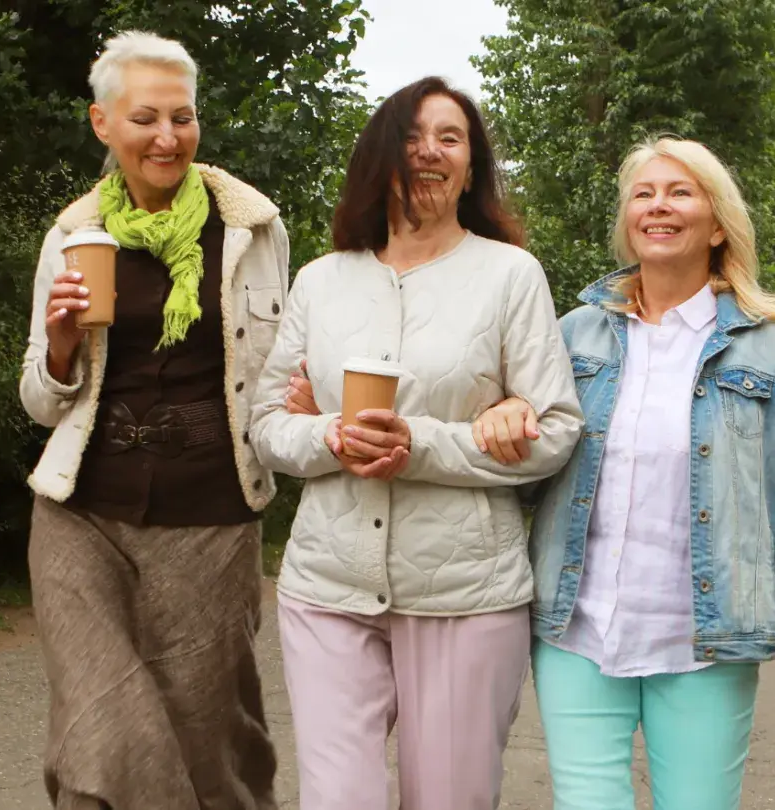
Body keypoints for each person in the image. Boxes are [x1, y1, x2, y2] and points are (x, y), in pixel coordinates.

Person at [472, 137, 775, 809]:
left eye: (680, 192)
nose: (659, 207)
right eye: (643, 194)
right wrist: (504, 414)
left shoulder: (771, 344)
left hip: (705, 641)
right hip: (577, 632)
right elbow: (530, 472)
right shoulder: (575, 335)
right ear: (627, 222)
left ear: (716, 222)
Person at [249, 76, 584, 810]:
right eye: (412, 135)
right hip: (327, 587)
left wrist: (422, 443)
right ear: (380, 155)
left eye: (450, 138)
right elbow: (267, 424)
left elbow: (556, 429)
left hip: (465, 595)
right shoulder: (320, 282)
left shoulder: (509, 276)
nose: (429, 151)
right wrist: (331, 436)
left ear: (471, 168)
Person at [19, 31, 289, 810]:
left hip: (211, 510)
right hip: (81, 513)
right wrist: (63, 345)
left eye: (183, 117)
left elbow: (276, 368)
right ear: (103, 124)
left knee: (212, 740)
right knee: (103, 725)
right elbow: (40, 400)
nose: (167, 137)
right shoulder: (72, 235)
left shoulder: (251, 230)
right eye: (145, 118)